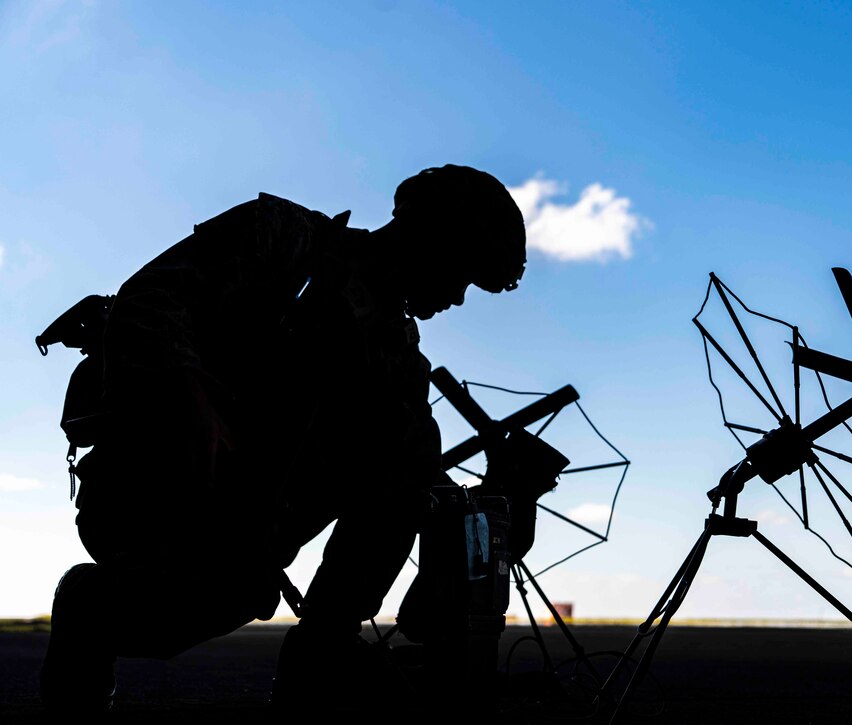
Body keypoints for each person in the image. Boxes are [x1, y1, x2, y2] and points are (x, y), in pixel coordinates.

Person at [39, 165, 527, 712]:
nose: (459, 298)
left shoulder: (399, 364)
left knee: (408, 448)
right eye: (461, 273)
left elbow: (407, 484)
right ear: (430, 236)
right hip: (152, 490)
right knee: (139, 612)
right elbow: (149, 299)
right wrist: (189, 396)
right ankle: (87, 612)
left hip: (245, 533)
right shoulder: (286, 239)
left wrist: (510, 492)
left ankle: (323, 645)